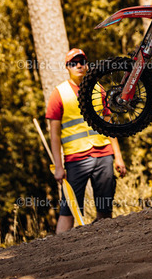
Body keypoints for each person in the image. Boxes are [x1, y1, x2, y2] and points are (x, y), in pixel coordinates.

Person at [46, 48, 126, 233]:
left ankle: (105, 244)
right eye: (73, 63)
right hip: (76, 160)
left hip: (104, 155)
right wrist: (58, 166)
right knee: (68, 210)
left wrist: (118, 156)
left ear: (87, 65)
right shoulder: (59, 93)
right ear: (67, 67)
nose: (79, 66)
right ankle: (58, 248)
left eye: (82, 62)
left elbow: (109, 124)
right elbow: (54, 135)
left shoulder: (98, 90)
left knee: (105, 209)